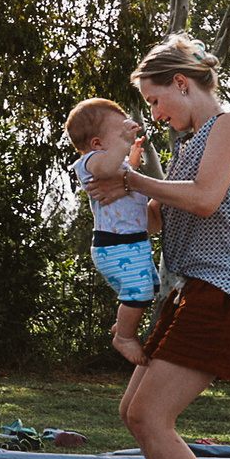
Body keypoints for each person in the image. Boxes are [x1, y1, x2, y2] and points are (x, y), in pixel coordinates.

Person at [85, 34, 230, 459]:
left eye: (153, 99)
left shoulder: (229, 126)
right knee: (134, 412)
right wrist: (126, 199)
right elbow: (169, 215)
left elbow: (206, 198)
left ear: (181, 83)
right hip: (194, 287)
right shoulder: (188, 145)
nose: (154, 112)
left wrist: (131, 177)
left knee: (150, 414)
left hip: (229, 288)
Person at [65, 97, 160, 364]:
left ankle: (123, 327)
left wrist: (132, 159)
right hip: (116, 245)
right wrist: (123, 145)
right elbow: (107, 169)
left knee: (148, 289)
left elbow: (120, 170)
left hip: (133, 242)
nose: (128, 134)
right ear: (96, 144)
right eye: (120, 132)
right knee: (137, 293)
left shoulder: (112, 160)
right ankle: (124, 337)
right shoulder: (91, 161)